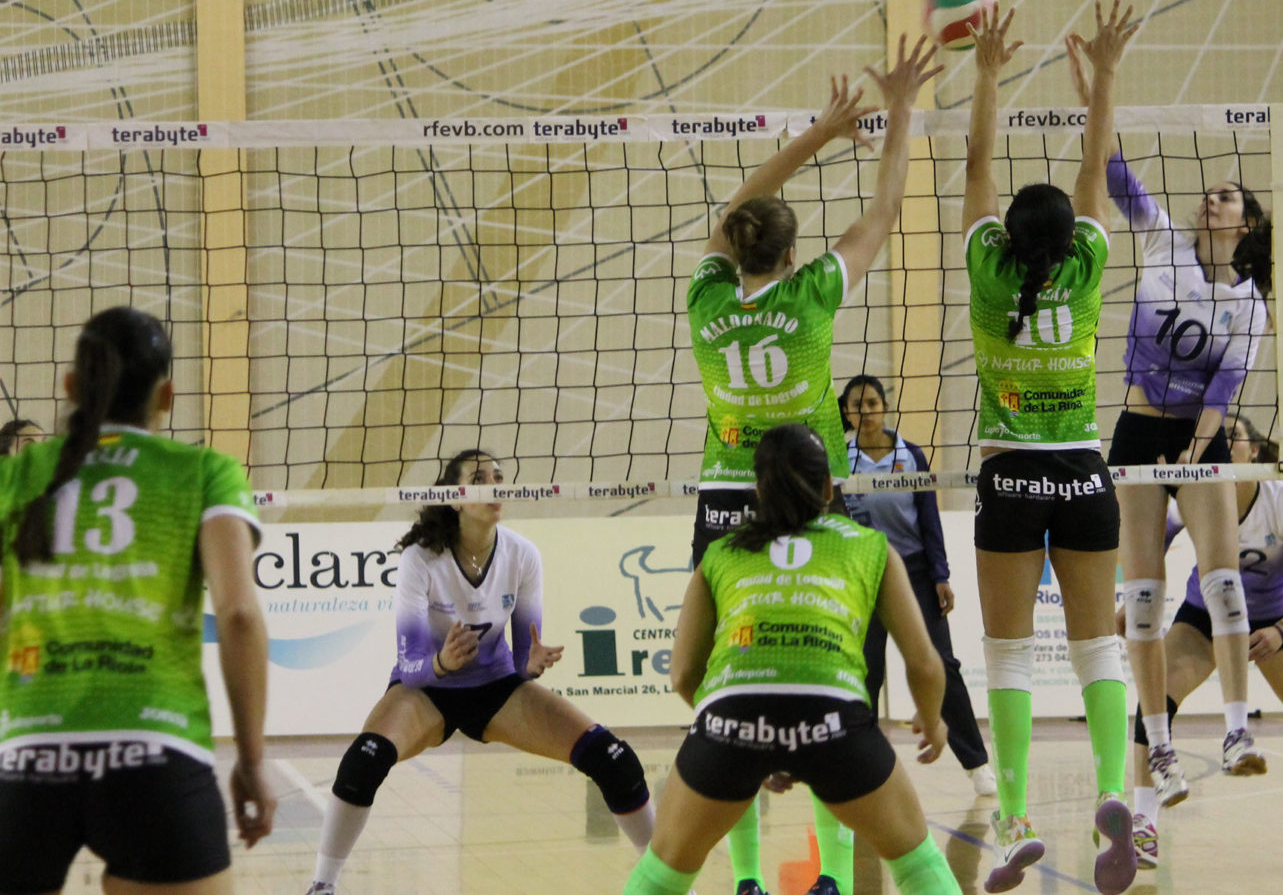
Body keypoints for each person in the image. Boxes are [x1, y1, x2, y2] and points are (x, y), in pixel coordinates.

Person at [686, 34, 941, 895]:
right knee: (842, 679)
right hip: (812, 497)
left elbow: (739, 209)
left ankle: (750, 880)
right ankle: (832, 875)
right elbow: (885, 208)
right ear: (791, 258)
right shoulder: (815, 293)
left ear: (736, 249)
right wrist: (894, 111)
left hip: (728, 495)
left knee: (728, 693)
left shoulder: (705, 295)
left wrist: (817, 132)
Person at [0, 306, 275, 894]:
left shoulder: (17, 476)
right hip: (157, 755)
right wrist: (251, 763)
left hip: (26, 756)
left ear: (72, 386)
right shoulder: (206, 471)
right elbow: (240, 615)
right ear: (167, 395)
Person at [624, 423, 961, 895]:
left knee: (662, 873)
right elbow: (925, 663)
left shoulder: (719, 555)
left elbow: (682, 673)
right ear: (829, 488)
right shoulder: (871, 548)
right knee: (916, 861)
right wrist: (932, 721)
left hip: (731, 717)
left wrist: (749, 735)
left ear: (758, 491)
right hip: (833, 719)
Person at [961, 1, 1138, 895]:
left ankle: (1018, 813)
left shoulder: (988, 274)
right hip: (1081, 473)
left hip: (1008, 475)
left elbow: (975, 164)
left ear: (1005, 242)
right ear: (1070, 242)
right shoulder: (1091, 261)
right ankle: (1117, 794)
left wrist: (987, 72)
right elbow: (1093, 162)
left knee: (1005, 653)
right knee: (1096, 650)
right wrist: (1101, 74)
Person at [1068, 43, 1274, 803]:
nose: (1208, 202)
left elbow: (1220, 390)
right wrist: (1097, 91)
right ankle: (1158, 748)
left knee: (1223, 582)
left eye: (1225, 198)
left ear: (1246, 224)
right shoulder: (1160, 241)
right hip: (1136, 431)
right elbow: (1112, 170)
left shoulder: (1249, 305)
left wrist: (1194, 456)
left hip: (1199, 434)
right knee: (1145, 599)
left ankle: (1234, 727)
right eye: (1209, 195)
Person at [304, 449, 654, 895]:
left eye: (498, 477)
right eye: (479, 478)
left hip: (497, 690)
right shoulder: (421, 559)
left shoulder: (523, 555)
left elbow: (525, 657)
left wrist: (530, 664)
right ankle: (322, 885)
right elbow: (411, 666)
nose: (494, 485)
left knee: (614, 760)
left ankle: (669, 881)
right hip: (427, 690)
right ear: (455, 497)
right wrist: (442, 662)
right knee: (363, 761)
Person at [1124, 412, 1283, 867]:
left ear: (1253, 451)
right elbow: (1149, 547)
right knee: (1153, 707)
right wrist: (1130, 602)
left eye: (1235, 438)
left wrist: (1281, 630)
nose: (1226, 445)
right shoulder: (1193, 499)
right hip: (1204, 622)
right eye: (1220, 438)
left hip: (1273, 625)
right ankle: (1144, 825)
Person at [838, 373, 996, 797]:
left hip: (915, 573)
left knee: (942, 666)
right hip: (862, 575)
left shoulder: (910, 455)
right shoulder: (839, 458)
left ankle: (977, 764)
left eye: (872, 402)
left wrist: (941, 574)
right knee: (864, 670)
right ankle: (860, 766)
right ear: (847, 411)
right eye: (857, 405)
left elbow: (929, 517)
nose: (865, 411)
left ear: (884, 407)